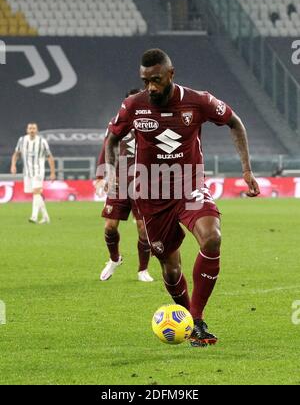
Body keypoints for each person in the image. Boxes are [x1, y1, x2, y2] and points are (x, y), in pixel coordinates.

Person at [105, 49, 260, 347]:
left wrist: (247, 170)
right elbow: (112, 139)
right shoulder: (132, 106)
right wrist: (112, 173)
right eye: (145, 80)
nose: (151, 86)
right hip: (151, 196)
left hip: (190, 187)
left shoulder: (198, 101)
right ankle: (188, 320)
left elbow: (234, 122)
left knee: (212, 238)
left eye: (156, 80)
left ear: (171, 75)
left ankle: (197, 319)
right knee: (170, 266)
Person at [95, 89, 154, 283]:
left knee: (143, 228)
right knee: (110, 226)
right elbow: (107, 146)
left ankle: (143, 270)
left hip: (143, 181)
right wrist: (101, 175)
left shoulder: (153, 122)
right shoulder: (117, 122)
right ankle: (114, 259)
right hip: (118, 180)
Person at [10, 123, 56, 224]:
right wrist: (13, 165)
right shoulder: (22, 140)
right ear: (27, 130)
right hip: (27, 172)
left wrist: (53, 172)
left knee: (36, 192)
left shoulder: (42, 141)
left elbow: (49, 157)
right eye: (30, 128)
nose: (32, 130)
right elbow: (16, 154)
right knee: (36, 194)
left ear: (37, 130)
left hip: (38, 171)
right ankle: (46, 217)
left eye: (34, 128)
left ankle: (34, 216)